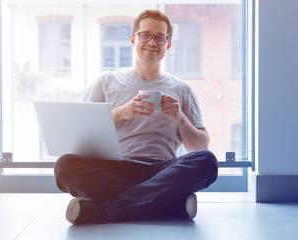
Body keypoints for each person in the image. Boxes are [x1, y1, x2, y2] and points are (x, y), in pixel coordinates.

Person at [54, 9, 218, 225]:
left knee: (207, 162)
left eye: (160, 37)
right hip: (114, 169)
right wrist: (123, 112)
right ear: (133, 39)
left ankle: (104, 211)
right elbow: (80, 134)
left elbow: (200, 147)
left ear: (168, 44)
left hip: (162, 171)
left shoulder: (182, 89)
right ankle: (170, 205)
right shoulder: (106, 81)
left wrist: (179, 117)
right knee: (65, 166)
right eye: (145, 35)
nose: (152, 42)